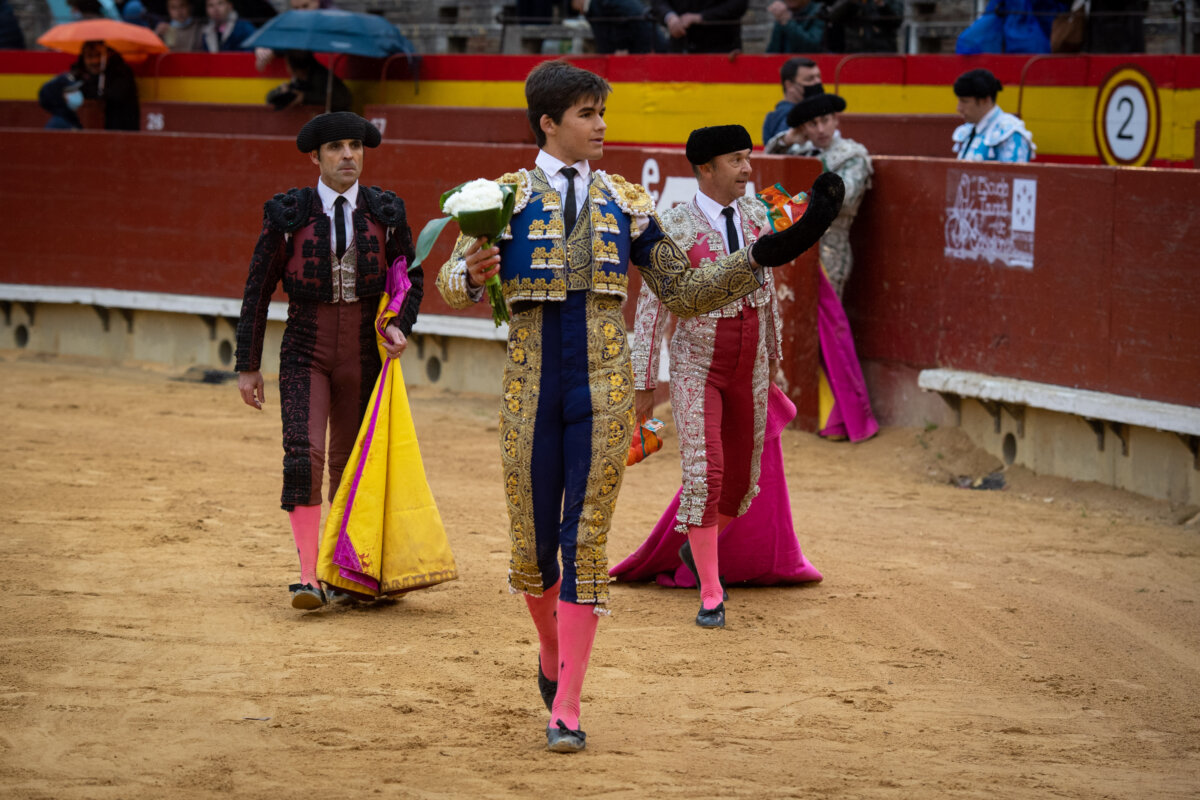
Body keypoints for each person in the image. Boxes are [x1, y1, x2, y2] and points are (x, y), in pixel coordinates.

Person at [434, 60, 843, 753]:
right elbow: (449, 280)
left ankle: (568, 706)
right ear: (549, 123)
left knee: (584, 541)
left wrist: (769, 250)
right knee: (533, 550)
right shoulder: (502, 198)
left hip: (603, 387)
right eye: (588, 114)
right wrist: (469, 276)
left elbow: (684, 290)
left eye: (602, 112)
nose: (601, 125)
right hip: (530, 390)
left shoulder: (625, 202)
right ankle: (551, 649)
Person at [235, 112, 420, 610]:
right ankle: (308, 577)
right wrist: (248, 364)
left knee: (351, 463)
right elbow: (258, 289)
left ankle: (346, 571)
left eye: (355, 146)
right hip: (304, 349)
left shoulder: (386, 211)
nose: (348, 155)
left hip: (363, 350)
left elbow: (411, 275)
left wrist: (399, 322)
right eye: (336, 147)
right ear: (315, 158)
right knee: (304, 455)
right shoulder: (288, 213)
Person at [627, 125, 783, 629]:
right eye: (736, 160)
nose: (747, 169)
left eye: (748, 157)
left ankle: (699, 552)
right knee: (705, 474)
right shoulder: (671, 226)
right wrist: (645, 384)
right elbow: (651, 309)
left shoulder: (757, 214)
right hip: (698, 365)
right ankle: (711, 592)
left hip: (752, 363)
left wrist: (773, 359)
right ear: (706, 168)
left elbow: (770, 291)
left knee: (740, 482)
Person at [766, 87, 871, 299]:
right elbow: (766, 166)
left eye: (825, 120)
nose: (821, 129)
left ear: (835, 120)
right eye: (813, 124)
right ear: (804, 128)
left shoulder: (852, 155)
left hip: (829, 247)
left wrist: (788, 209)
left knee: (824, 311)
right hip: (789, 245)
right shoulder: (799, 151)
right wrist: (788, 140)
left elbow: (845, 198)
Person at [951, 68, 1035, 162]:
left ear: (985, 100)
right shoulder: (969, 129)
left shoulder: (1010, 134)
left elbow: (1013, 171)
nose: (959, 108)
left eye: (964, 101)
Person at [72, 41, 140, 131]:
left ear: (108, 54)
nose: (95, 61)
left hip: (120, 129)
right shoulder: (77, 75)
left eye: (99, 55)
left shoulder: (121, 72)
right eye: (90, 56)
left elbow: (118, 96)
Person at [266, 51, 352, 113]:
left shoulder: (321, 77)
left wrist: (305, 97)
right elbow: (269, 98)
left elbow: (344, 100)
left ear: (292, 68)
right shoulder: (299, 80)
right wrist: (280, 91)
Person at [761, 56, 821, 145]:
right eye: (809, 79)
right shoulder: (793, 117)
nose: (817, 82)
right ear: (789, 85)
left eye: (818, 77)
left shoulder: (774, 116)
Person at [650, 0, 749, 53]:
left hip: (720, 47)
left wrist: (701, 17)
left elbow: (738, 4)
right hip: (680, 46)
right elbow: (658, 2)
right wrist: (670, 17)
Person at [571, 0, 664, 53]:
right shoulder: (598, 5)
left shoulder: (600, 5)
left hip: (649, 46)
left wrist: (624, 48)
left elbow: (639, 21)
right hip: (647, 42)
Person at [823, 0, 901, 52]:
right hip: (855, 50)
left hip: (884, 51)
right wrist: (850, 2)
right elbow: (832, 17)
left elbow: (897, 21)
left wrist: (882, 4)